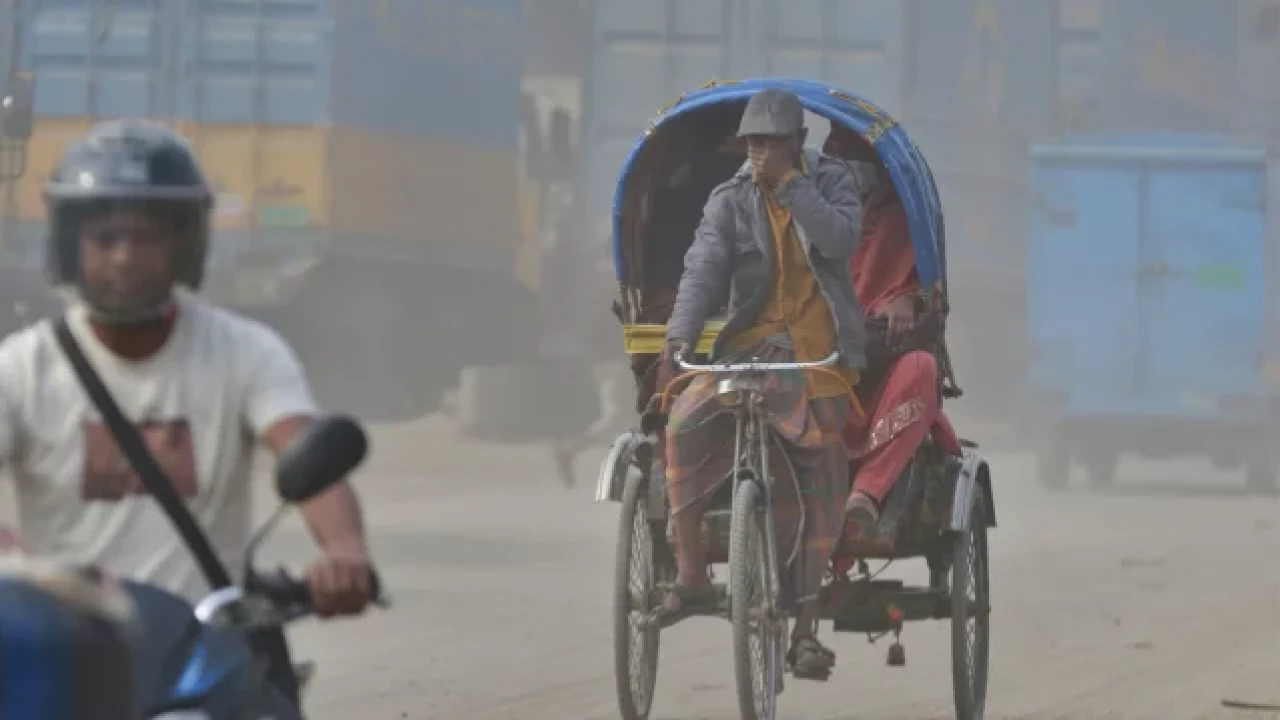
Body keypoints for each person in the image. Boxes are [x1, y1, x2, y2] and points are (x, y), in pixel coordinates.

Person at [0, 120, 373, 705]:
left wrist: (344, 552)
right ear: (71, 245)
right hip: (71, 660)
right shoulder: (21, 369)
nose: (125, 257)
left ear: (185, 243)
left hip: (206, 652)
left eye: (147, 238)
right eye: (105, 238)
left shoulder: (245, 351)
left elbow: (304, 452)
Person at [655, 88, 865, 680]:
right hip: (749, 350)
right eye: (752, 144)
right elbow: (702, 267)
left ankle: (804, 625)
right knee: (685, 422)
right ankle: (692, 572)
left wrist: (794, 188)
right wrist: (680, 338)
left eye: (771, 143)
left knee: (823, 462)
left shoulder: (833, 183)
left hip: (819, 354)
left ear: (798, 143)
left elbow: (840, 241)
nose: (760, 154)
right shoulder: (729, 199)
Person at [824, 123, 961, 532]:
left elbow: (929, 300)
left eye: (855, 166)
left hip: (881, 362)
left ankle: (866, 493)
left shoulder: (904, 222)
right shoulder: (811, 217)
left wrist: (909, 300)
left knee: (920, 369)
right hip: (820, 360)